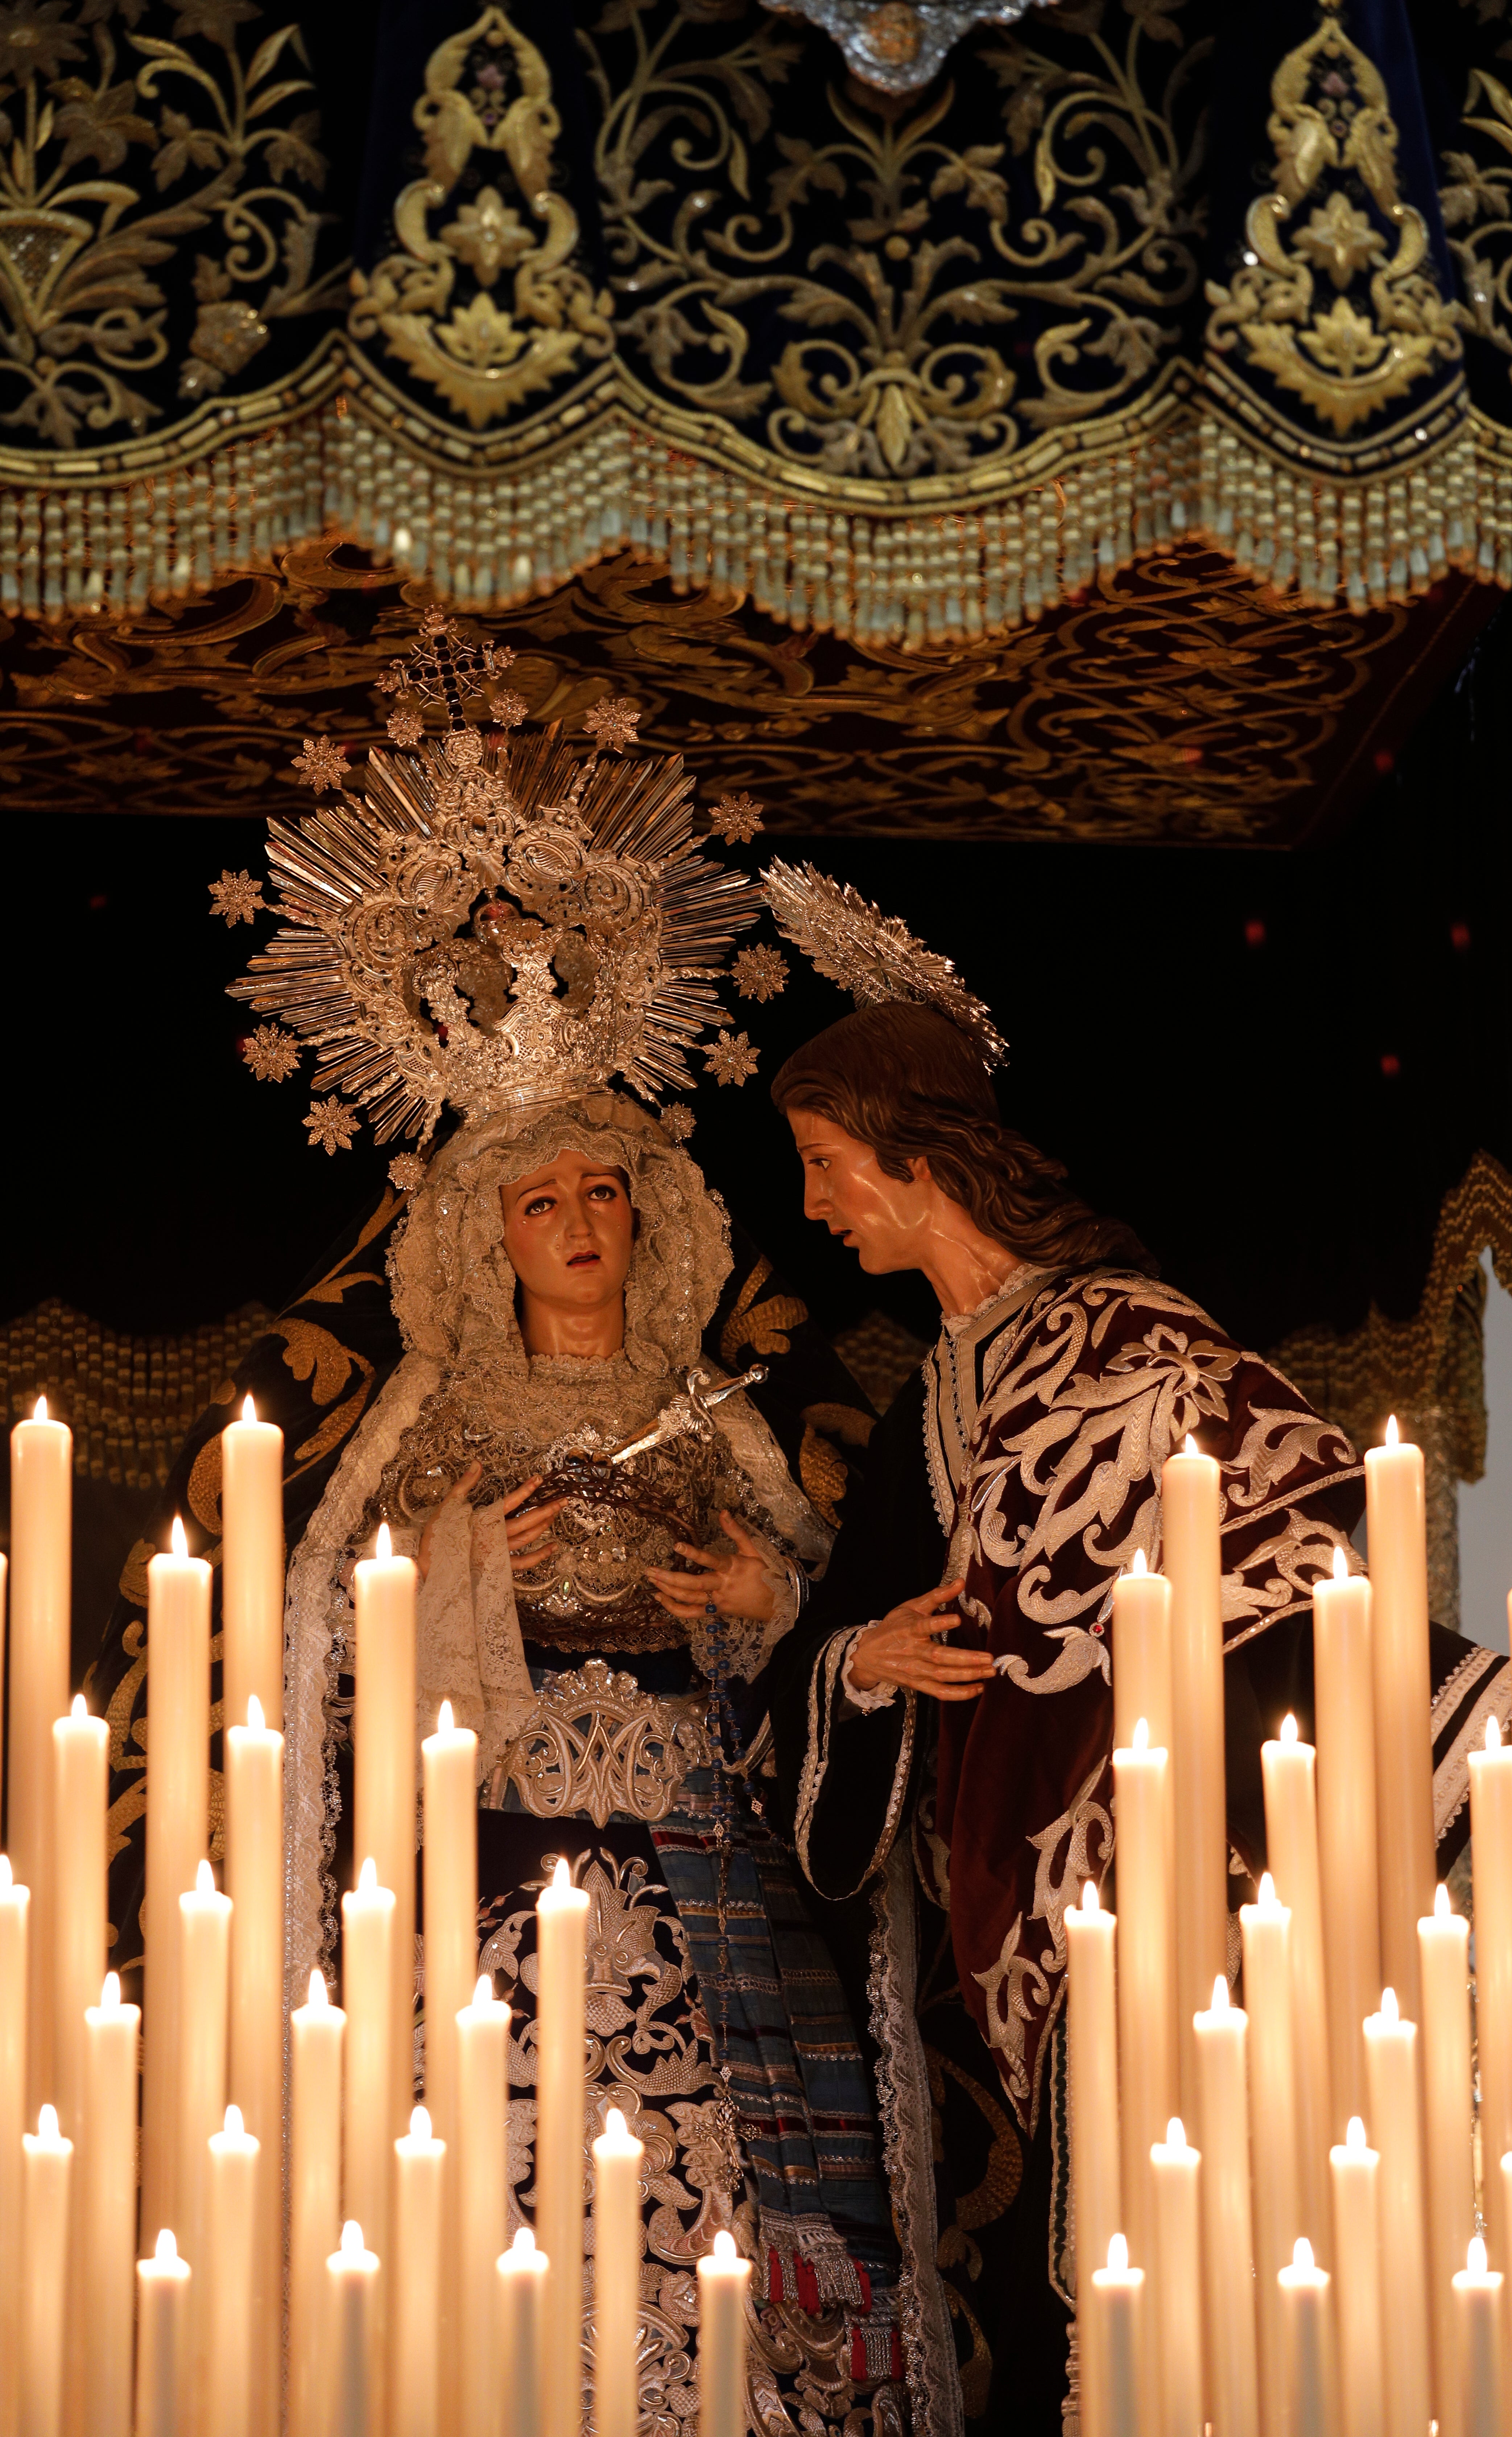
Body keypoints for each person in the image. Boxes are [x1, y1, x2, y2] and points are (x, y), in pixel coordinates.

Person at [91, 650, 908, 2434]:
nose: (577, 1223)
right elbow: (329, 1650)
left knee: (731, 2211)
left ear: (654, 1213)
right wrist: (462, 1561)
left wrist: (760, 1600)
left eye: (603, 1190)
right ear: (485, 1241)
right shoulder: (428, 1427)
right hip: (494, 1884)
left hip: (701, 1872)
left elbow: (818, 1642)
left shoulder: (734, 1415)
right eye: (538, 1203)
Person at [766, 998, 1512, 2437]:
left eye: (827, 1161)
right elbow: (830, 1639)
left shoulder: (1125, 1333)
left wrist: (1482, 1689)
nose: (816, 1205)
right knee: (1082, 2265)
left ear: (916, 1160)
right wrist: (864, 1666)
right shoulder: (929, 1400)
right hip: (1008, 1894)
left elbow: (1293, 1542)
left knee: (1193, 2221)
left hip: (1163, 1846)